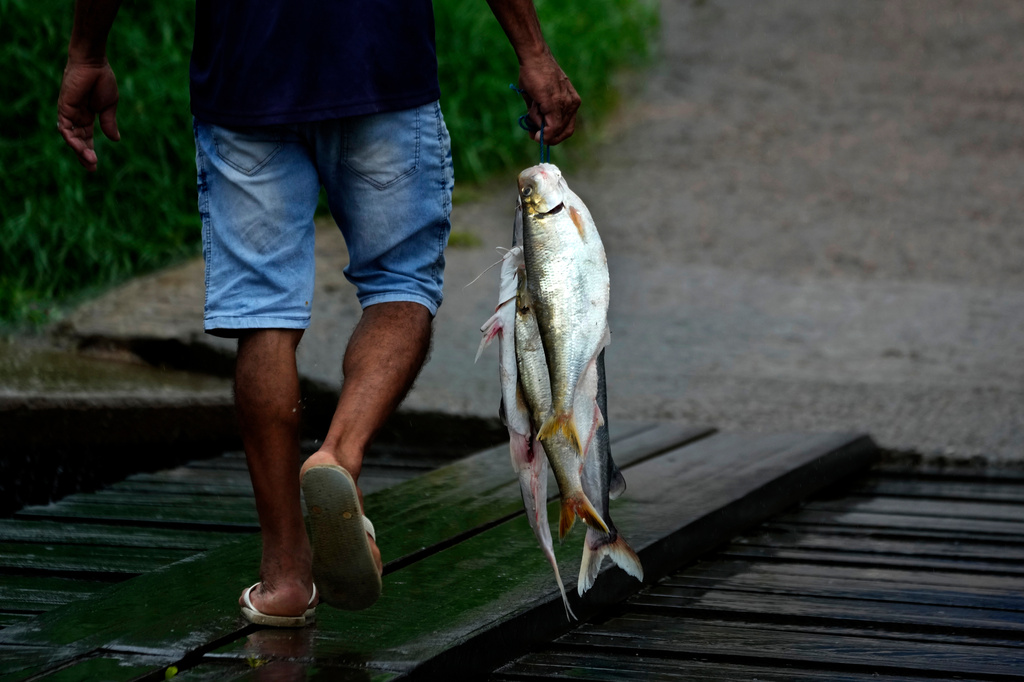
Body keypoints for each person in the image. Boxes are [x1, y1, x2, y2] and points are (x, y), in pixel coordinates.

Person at [57, 0, 580, 625]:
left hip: (245, 81)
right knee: (399, 288)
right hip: (380, 67)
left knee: (264, 318)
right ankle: (340, 454)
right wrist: (533, 53)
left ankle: (283, 578)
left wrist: (87, 52)